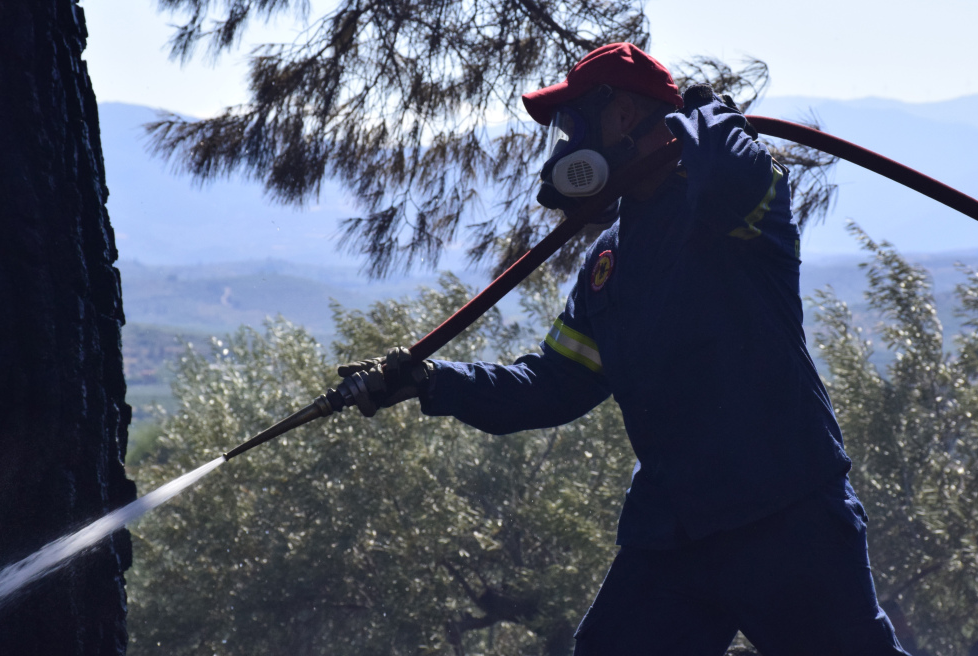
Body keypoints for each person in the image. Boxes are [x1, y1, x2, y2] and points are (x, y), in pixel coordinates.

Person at [336, 42, 910, 656]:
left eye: (571, 121)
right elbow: (553, 384)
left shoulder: (738, 208)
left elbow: (729, 181)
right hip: (673, 535)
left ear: (623, 117)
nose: (563, 143)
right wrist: (431, 382)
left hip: (786, 517)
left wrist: (709, 115)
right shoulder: (608, 261)